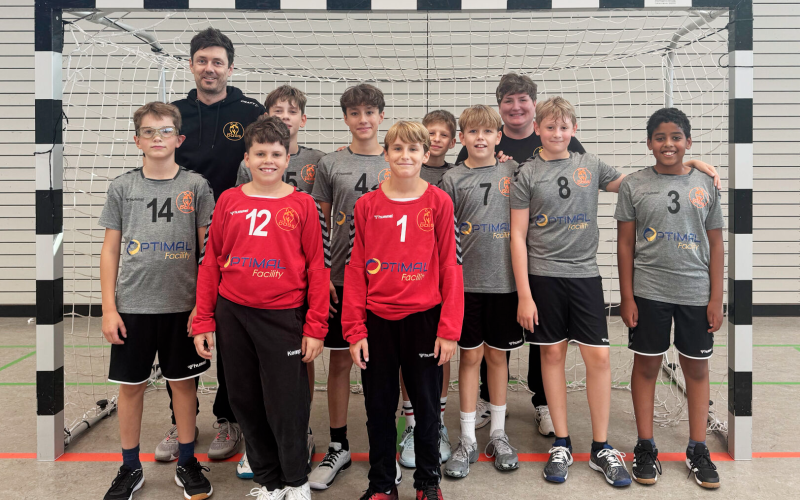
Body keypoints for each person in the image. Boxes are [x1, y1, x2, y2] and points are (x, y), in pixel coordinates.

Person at [510, 97, 720, 487]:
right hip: (543, 277)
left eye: (564, 127)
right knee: (551, 355)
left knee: (600, 358)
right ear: (537, 128)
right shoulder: (527, 173)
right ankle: (562, 442)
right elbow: (518, 236)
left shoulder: (590, 164)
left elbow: (640, 181)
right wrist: (524, 293)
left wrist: (687, 163)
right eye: (550, 127)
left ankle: (601, 446)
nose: (557, 133)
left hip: (585, 276)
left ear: (574, 129)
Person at [191, 116, 330, 500]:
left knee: (286, 404)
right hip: (233, 314)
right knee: (244, 400)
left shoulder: (303, 205)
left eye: (276, 154)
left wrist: (316, 326)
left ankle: (296, 481)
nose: (268, 160)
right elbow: (211, 262)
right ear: (247, 158)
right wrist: (203, 319)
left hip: (283, 316)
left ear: (287, 159)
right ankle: (269, 482)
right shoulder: (229, 201)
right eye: (260, 153)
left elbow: (318, 268)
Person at [159, 27, 265, 463]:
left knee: (231, 329)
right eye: (202, 60)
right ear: (191, 65)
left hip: (238, 237)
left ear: (230, 68)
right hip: (183, 237)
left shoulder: (250, 111)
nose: (209, 68)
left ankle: (228, 418)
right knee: (183, 324)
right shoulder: (176, 113)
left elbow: (270, 155)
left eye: (217, 61)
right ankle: (181, 419)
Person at [99, 102, 215, 500]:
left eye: (165, 131)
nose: (157, 138)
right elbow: (110, 250)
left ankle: (187, 461)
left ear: (179, 139)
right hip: (133, 308)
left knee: (183, 386)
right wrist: (109, 308)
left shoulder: (196, 186)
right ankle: (130, 467)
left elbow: (208, 252)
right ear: (137, 141)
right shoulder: (123, 187)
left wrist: (202, 306)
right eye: (148, 132)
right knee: (131, 389)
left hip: (183, 308)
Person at [343, 120, 464, 500]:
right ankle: (381, 485)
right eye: (397, 148)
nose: (405, 155)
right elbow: (355, 268)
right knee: (379, 409)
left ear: (426, 155)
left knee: (427, 409)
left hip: (424, 320)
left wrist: (449, 329)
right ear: (386, 154)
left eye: (413, 149)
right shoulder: (367, 205)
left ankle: (427, 483)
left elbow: (451, 266)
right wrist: (355, 329)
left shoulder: (439, 202)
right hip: (376, 321)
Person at [457, 73, 577, 434]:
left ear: (534, 106)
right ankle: (487, 399)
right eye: (508, 100)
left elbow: (588, 175)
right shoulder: (483, 145)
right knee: (492, 339)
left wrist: (691, 164)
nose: (516, 106)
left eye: (522, 99)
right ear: (500, 108)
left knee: (543, 331)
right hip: (496, 262)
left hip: (543, 255)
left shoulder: (556, 137)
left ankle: (542, 401)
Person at [615, 108, 723, 489]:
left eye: (676, 137)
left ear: (688, 142)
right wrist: (626, 296)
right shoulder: (634, 185)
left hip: (695, 293)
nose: (668, 144)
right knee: (646, 367)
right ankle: (645, 446)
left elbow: (716, 243)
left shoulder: (706, 185)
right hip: (649, 292)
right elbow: (625, 244)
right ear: (649, 143)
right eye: (660, 137)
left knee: (697, 369)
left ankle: (698, 448)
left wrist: (716, 297)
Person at [309, 83, 397, 491]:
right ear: (345, 118)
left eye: (370, 112)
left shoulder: (396, 158)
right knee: (342, 361)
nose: (363, 120)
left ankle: (390, 445)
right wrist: (325, 275)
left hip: (390, 281)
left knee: (388, 366)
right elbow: (321, 226)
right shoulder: (331, 164)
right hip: (343, 279)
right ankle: (338, 444)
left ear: (381, 116)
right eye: (355, 113)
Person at [234, 85, 324, 479]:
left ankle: (299, 435)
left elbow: (318, 240)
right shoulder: (239, 188)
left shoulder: (317, 166)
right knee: (250, 382)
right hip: (245, 296)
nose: (284, 116)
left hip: (294, 289)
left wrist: (320, 291)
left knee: (295, 373)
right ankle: (261, 448)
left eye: (291, 110)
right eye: (277, 110)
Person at [440, 105, 523, 478]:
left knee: (498, 358)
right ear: (462, 138)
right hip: (467, 286)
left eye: (487, 131)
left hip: (505, 285)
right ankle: (468, 439)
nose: (480, 138)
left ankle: (499, 435)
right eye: (472, 132)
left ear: (498, 136)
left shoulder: (513, 171)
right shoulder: (453, 179)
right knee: (470, 358)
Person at [397, 109, 458, 469]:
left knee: (438, 357)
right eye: (429, 133)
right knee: (406, 362)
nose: (435, 140)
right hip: (398, 287)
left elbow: (450, 254)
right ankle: (411, 424)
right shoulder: (393, 178)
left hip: (433, 288)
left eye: (442, 134)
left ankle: (437, 423)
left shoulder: (452, 178)